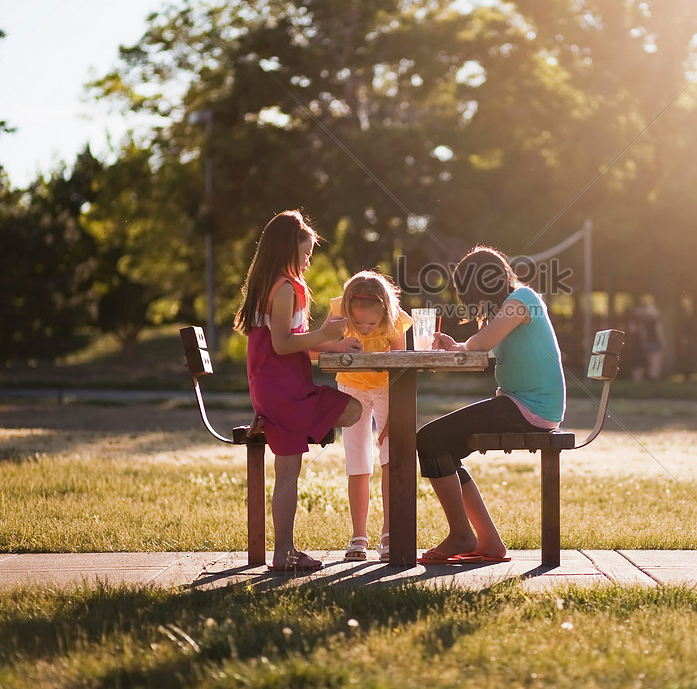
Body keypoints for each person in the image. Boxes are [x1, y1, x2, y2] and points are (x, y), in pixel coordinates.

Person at [232, 210, 364, 572]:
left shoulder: (270, 284)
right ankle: (283, 553)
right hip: (283, 389)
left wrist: (335, 346)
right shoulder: (285, 287)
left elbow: (297, 343)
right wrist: (324, 335)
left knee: (289, 470)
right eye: (305, 254)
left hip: (274, 387)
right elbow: (282, 343)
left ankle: (284, 551)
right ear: (287, 251)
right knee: (352, 411)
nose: (308, 261)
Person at [418, 246, 566, 564]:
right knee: (438, 445)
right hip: (520, 405)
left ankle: (462, 534)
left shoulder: (522, 300)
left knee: (428, 440)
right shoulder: (511, 307)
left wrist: (464, 346)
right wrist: (457, 346)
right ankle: (488, 543)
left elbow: (482, 345)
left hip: (530, 409)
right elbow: (483, 348)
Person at [330, 270, 410, 562]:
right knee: (357, 461)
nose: (364, 329)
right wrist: (336, 343)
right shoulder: (340, 309)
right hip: (351, 387)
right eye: (358, 323)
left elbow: (401, 368)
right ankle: (358, 535)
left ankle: (389, 533)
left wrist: (391, 421)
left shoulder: (396, 318)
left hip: (388, 390)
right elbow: (321, 343)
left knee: (390, 457)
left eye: (371, 324)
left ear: (385, 314)